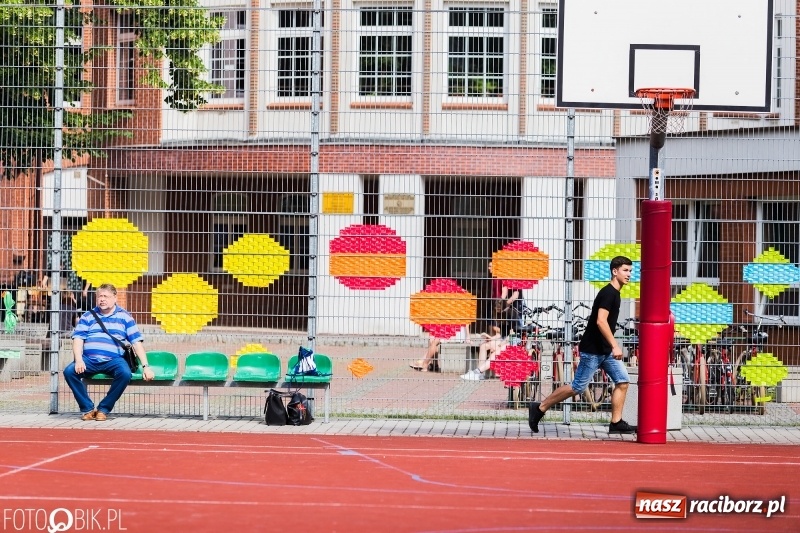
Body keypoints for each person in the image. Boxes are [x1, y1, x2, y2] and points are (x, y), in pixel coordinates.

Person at [528, 256, 636, 435]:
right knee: (577, 387)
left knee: (623, 381)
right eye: (625, 270)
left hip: (604, 350)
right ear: (614, 271)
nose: (629, 274)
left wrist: (610, 347)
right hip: (593, 350)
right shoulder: (608, 293)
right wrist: (615, 345)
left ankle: (616, 423)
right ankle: (539, 408)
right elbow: (601, 321)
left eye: (630, 271)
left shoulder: (615, 293)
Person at [63, 283, 154, 421]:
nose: (102, 299)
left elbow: (136, 342)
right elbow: (78, 339)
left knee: (124, 374)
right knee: (69, 372)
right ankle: (87, 408)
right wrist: (79, 359)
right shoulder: (88, 316)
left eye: (106, 296)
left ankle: (104, 409)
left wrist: (146, 367)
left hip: (114, 360)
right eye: (99, 296)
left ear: (115, 298)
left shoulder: (125, 317)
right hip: (89, 360)